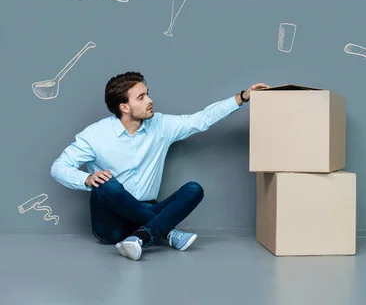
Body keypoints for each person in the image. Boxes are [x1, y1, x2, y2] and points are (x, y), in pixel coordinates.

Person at [50, 71, 269, 261]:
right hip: (111, 225)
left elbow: (201, 120)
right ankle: (167, 232)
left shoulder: (161, 125)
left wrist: (242, 97)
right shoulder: (95, 135)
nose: (150, 100)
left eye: (148, 94)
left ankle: (142, 236)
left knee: (194, 189)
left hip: (148, 210)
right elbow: (59, 167)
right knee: (108, 184)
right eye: (141, 97)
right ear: (124, 107)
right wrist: (86, 179)